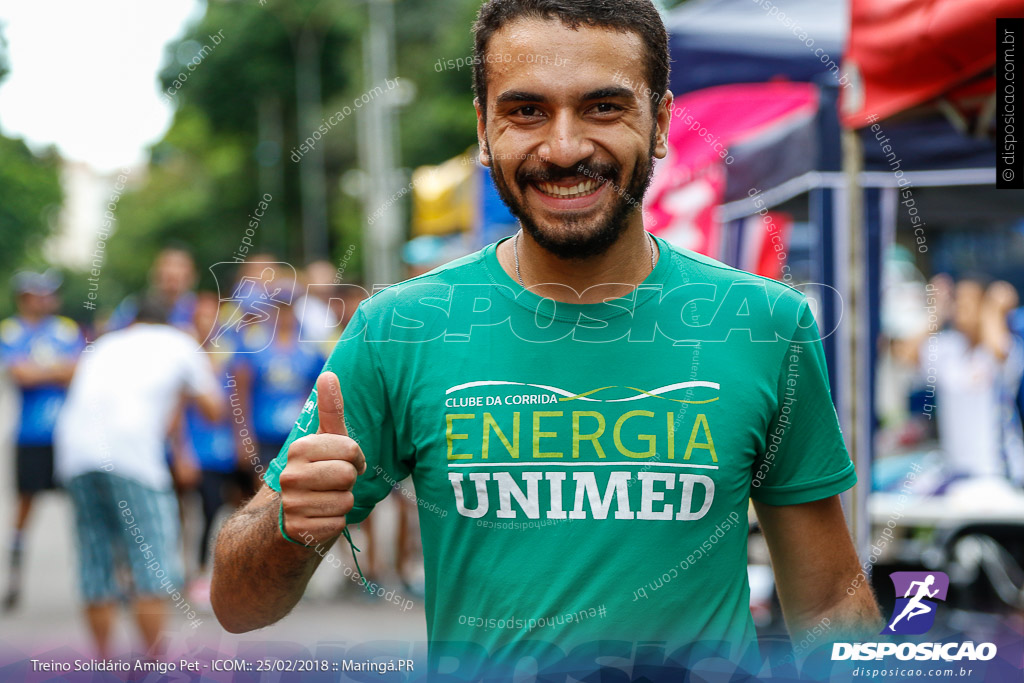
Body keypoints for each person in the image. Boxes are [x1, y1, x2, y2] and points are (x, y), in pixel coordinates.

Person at [211, 1, 881, 676]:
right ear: (483, 128)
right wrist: (290, 526)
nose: (563, 148)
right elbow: (238, 605)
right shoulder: (400, 327)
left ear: (660, 124)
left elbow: (828, 602)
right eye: (526, 110)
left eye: (603, 108)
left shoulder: (764, 323)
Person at [54, 297, 221, 657]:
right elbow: (213, 409)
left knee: (95, 559)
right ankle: (155, 664)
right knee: (151, 561)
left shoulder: (105, 344)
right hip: (131, 456)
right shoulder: (180, 342)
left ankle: (103, 664)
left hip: (74, 452)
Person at [0, 270, 84, 610]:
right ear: (25, 297)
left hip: (67, 435)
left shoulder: (67, 328)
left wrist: (42, 370)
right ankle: (15, 578)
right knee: (25, 506)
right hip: (30, 435)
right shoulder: (11, 329)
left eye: (50, 293)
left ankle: (98, 581)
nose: (47, 299)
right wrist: (56, 370)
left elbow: (77, 372)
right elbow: (20, 374)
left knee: (82, 506)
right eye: (39, 294)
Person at [106, 246, 197, 331]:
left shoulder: (199, 309)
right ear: (155, 273)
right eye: (167, 265)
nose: (173, 271)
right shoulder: (132, 306)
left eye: (180, 266)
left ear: (191, 275)